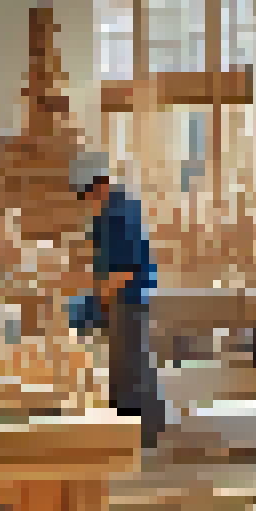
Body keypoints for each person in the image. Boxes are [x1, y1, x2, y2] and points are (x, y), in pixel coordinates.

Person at [73, 152, 164, 448]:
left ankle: (138, 438)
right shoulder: (111, 211)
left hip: (128, 299)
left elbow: (124, 270)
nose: (85, 203)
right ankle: (130, 434)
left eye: (86, 195)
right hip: (122, 298)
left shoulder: (118, 213)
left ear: (98, 186)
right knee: (126, 369)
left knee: (131, 371)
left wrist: (95, 300)